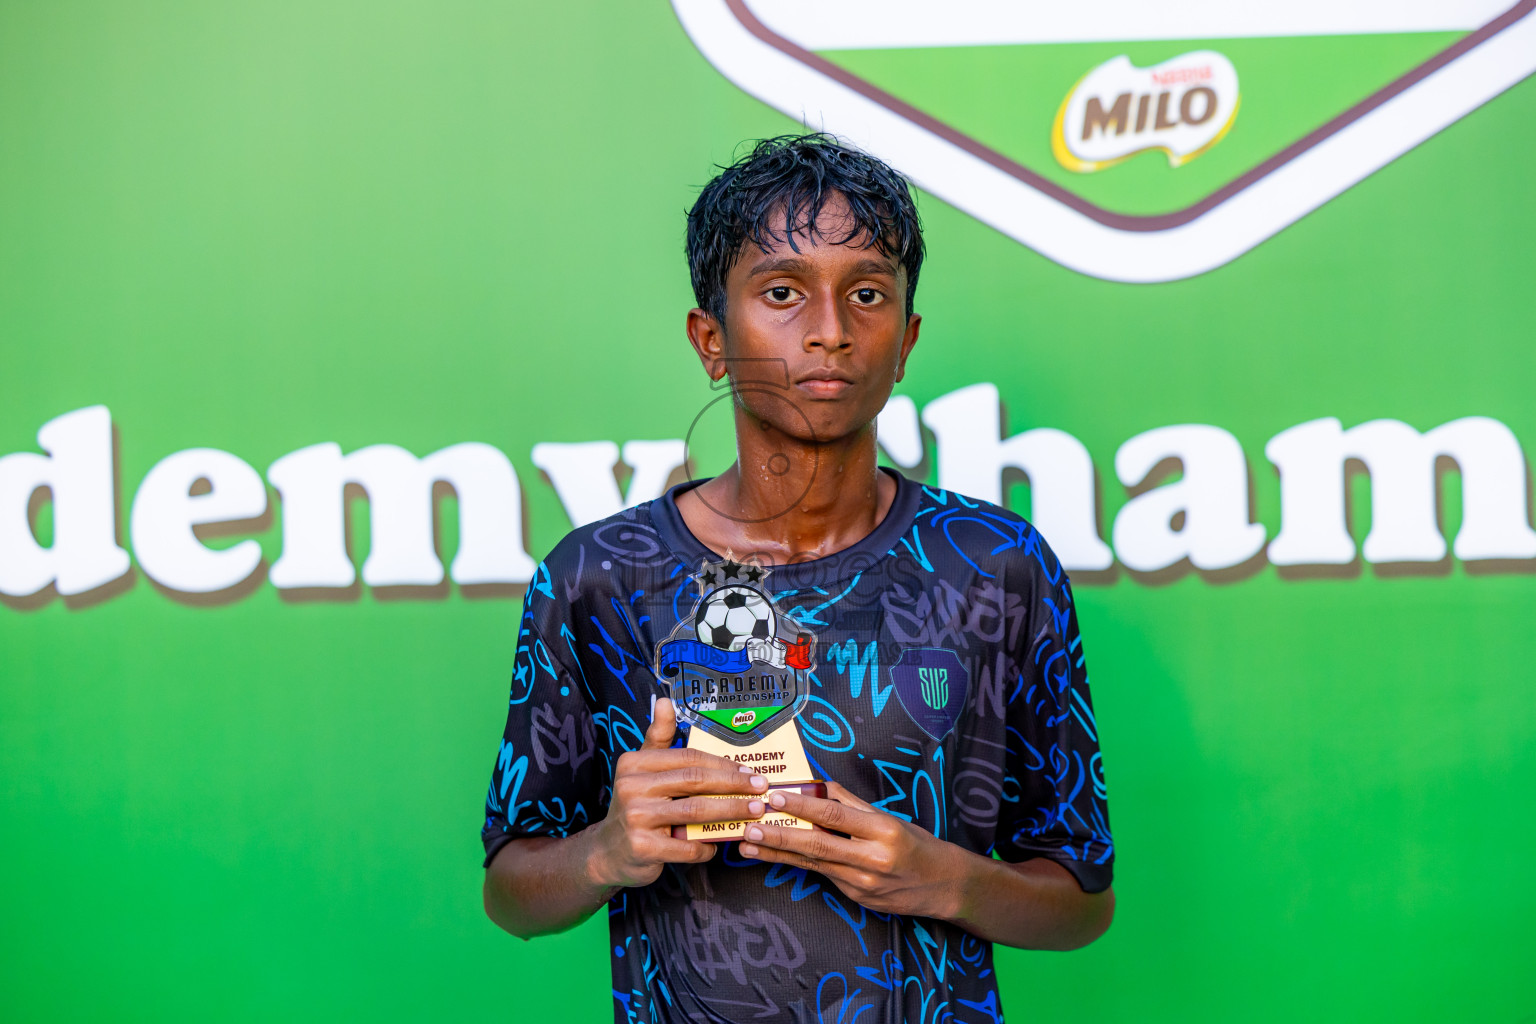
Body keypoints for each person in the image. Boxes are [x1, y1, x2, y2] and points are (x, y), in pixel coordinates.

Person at [480, 134, 1114, 1023]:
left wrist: (942, 879)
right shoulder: (595, 579)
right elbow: (511, 891)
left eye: (866, 294)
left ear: (905, 342)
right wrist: (609, 852)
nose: (828, 329)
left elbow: (1081, 900)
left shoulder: (998, 566)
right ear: (711, 339)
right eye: (781, 293)